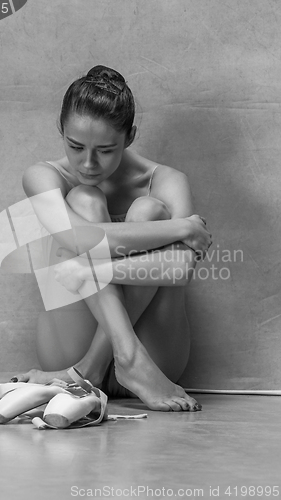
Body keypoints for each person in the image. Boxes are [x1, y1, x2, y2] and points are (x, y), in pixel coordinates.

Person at [12, 65, 212, 412]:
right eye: (75, 146)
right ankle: (122, 356)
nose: (88, 163)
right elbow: (77, 239)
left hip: (157, 354)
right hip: (69, 345)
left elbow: (180, 268)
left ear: (130, 136)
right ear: (61, 130)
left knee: (149, 210)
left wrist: (90, 272)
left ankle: (99, 366)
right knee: (84, 198)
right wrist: (182, 228)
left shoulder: (167, 180)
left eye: (105, 149)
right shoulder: (42, 176)